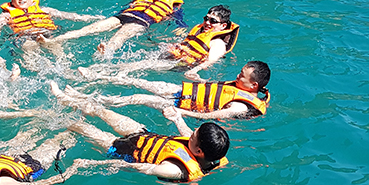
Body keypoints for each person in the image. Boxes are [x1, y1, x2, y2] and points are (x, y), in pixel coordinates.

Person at [51, 82, 229, 182]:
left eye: (193, 135)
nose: (189, 133)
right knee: (103, 111)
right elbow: (187, 136)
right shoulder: (211, 151)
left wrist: (92, 164)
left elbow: (139, 167)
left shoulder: (175, 170)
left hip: (123, 151)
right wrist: (177, 118)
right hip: (144, 135)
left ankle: (49, 116)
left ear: (199, 151)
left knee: (80, 127)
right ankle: (68, 99)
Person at [78, 4, 239, 79]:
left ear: (223, 25)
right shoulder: (200, 31)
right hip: (175, 55)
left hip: (182, 64)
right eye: (206, 18)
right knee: (140, 59)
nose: (207, 23)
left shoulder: (218, 43)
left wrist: (194, 71)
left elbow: (211, 61)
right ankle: (99, 66)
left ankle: (97, 73)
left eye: (213, 21)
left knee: (138, 65)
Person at [78, 60, 271, 120]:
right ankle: (95, 76)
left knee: (138, 97)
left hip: (181, 105)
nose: (237, 77)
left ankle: (89, 98)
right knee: (138, 81)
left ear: (254, 86)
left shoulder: (241, 106)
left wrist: (180, 112)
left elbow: (211, 115)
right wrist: (200, 79)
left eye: (241, 76)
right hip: (183, 91)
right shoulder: (240, 86)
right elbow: (217, 90)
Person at [48, 0, 184, 56]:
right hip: (124, 16)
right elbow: (128, 7)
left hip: (141, 22)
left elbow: (179, 22)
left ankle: (106, 50)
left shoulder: (173, 6)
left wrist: (178, 36)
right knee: (89, 28)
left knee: (121, 35)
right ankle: (56, 40)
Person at [0, 0, 105, 39]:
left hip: (48, 33)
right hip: (26, 37)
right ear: (12, 1)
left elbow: (70, 16)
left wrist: (91, 18)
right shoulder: (7, 15)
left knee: (56, 46)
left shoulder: (45, 10)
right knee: (28, 49)